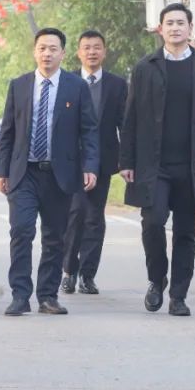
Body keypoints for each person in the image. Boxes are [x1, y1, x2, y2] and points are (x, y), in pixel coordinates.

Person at [120, 3, 195, 317]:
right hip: (154, 166)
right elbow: (131, 118)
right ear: (160, 29)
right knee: (152, 222)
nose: (175, 28)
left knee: (185, 231)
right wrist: (126, 160)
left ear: (190, 28)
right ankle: (157, 280)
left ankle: (178, 295)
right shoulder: (146, 67)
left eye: (180, 23)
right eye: (169, 23)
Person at [0, 28, 99, 316]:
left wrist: (90, 166)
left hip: (59, 174)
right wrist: (2, 170)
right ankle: (19, 294)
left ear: (63, 53)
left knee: (55, 237)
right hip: (23, 173)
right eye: (42, 48)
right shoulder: (19, 85)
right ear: (35, 51)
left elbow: (89, 130)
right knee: (21, 231)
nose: (47, 53)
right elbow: (8, 132)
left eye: (53, 48)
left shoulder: (76, 86)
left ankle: (47, 296)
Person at [61, 30, 127, 296]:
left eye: (96, 47)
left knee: (94, 217)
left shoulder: (117, 85)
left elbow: (125, 124)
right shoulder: (66, 81)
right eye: (86, 47)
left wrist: (126, 159)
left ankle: (88, 275)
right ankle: (68, 271)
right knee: (74, 213)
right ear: (78, 52)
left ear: (104, 51)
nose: (91, 52)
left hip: (103, 160)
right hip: (70, 161)